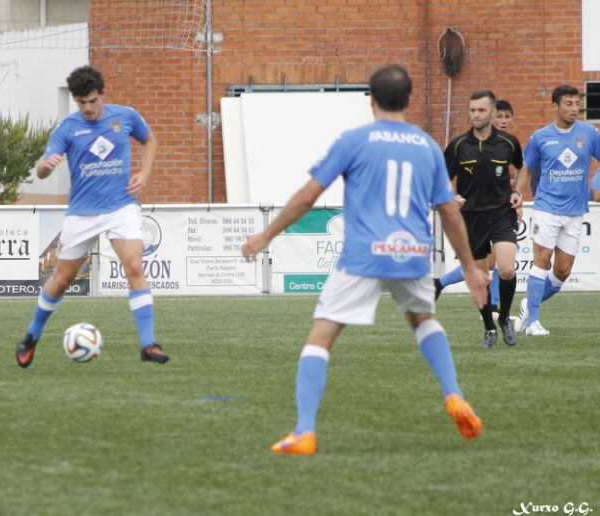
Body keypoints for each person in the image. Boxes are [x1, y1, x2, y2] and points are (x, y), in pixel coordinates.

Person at [241, 65, 488, 455]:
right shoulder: (426, 146)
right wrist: (470, 266)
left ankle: (305, 431)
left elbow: (307, 196)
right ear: (408, 100)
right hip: (411, 255)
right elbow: (449, 213)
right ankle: (453, 393)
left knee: (320, 338)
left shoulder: (354, 140)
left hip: (363, 256)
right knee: (423, 320)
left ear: (370, 100)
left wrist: (265, 235)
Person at [15, 65, 167, 368]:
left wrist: (145, 173)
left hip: (121, 206)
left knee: (135, 265)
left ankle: (148, 344)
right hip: (82, 214)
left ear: (102, 95)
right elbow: (41, 170)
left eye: (92, 101)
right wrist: (49, 164)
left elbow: (149, 140)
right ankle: (31, 335)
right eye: (81, 103)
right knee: (62, 279)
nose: (87, 108)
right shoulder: (68, 128)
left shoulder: (125, 116)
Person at [513, 85, 600, 336]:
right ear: (555, 106)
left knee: (562, 271)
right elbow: (526, 168)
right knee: (542, 259)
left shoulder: (589, 133)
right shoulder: (540, 137)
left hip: (575, 211)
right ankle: (533, 323)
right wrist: (518, 194)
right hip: (547, 208)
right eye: (568, 103)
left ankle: (529, 304)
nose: (574, 108)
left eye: (576, 103)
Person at [442, 91, 523, 349]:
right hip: (471, 217)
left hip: (501, 214)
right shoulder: (457, 146)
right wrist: (449, 195)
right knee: (480, 278)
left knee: (507, 269)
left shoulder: (508, 143)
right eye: (472, 110)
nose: (475, 115)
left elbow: (523, 168)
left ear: (491, 112)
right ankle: (489, 328)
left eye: (480, 110)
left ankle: (504, 319)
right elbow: (440, 176)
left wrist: (518, 192)